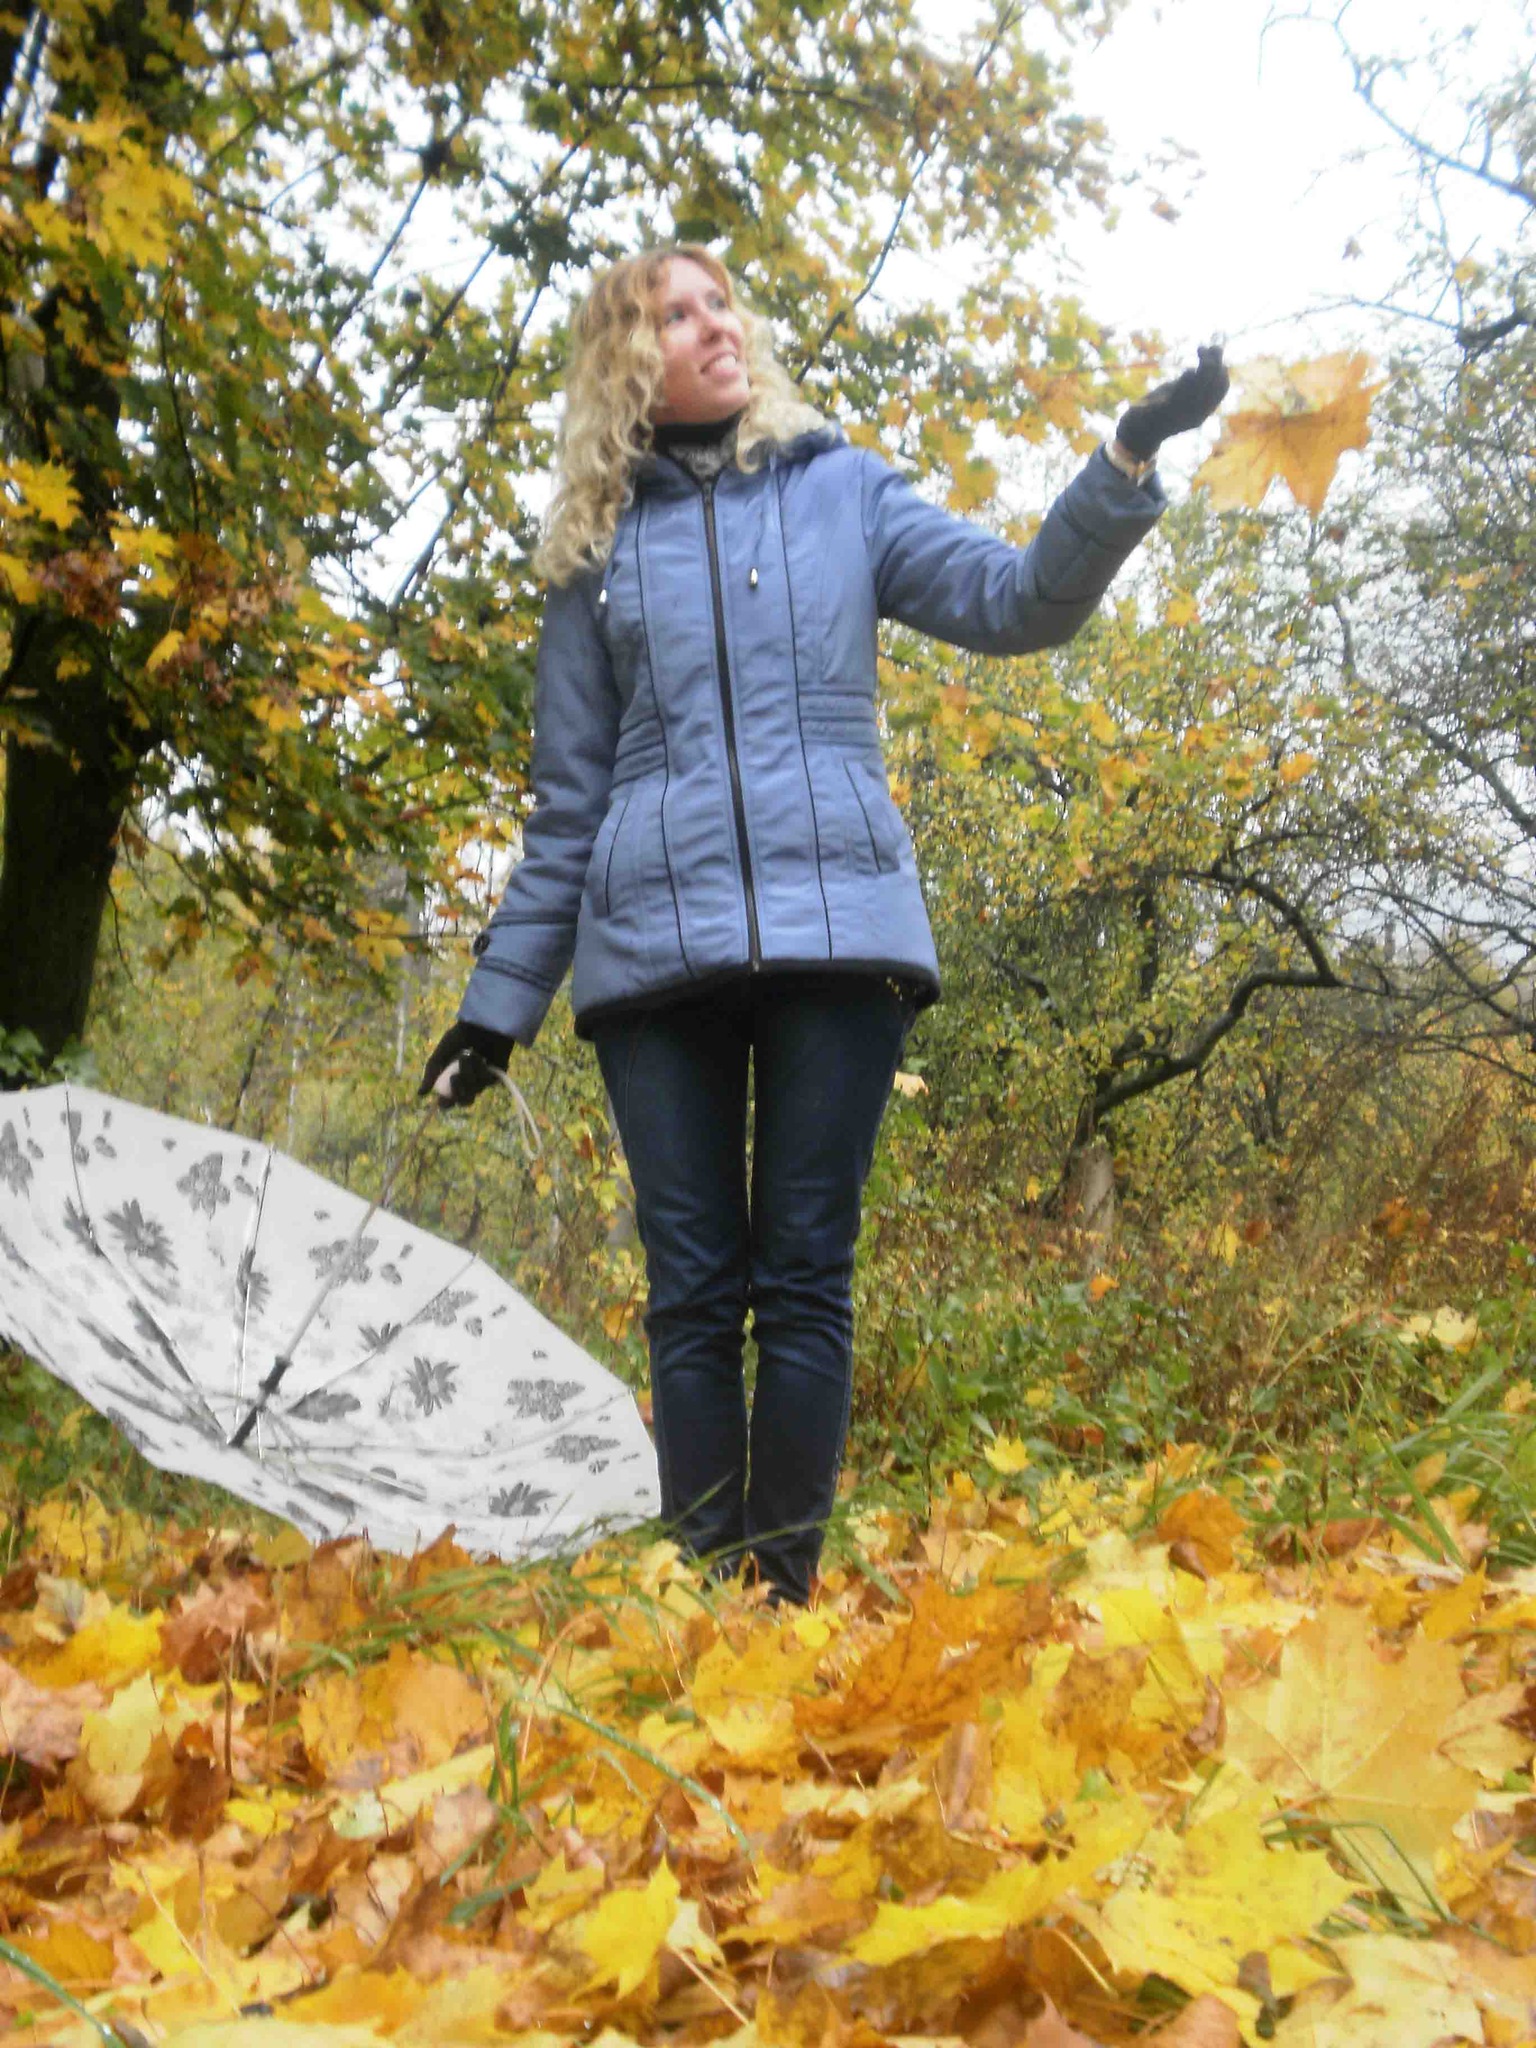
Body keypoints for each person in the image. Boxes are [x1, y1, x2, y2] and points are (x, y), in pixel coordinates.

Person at [420, 244, 1227, 1603]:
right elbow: (566, 809)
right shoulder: (591, 557)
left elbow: (1019, 604)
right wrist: (494, 1010)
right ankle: (702, 1603)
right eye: (675, 315)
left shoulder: (842, 490)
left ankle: (774, 1604)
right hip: (651, 957)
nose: (713, 325)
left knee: (802, 1275)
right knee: (691, 1291)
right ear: (627, 365)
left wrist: (1126, 458)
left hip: (840, 935)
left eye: (719, 301)